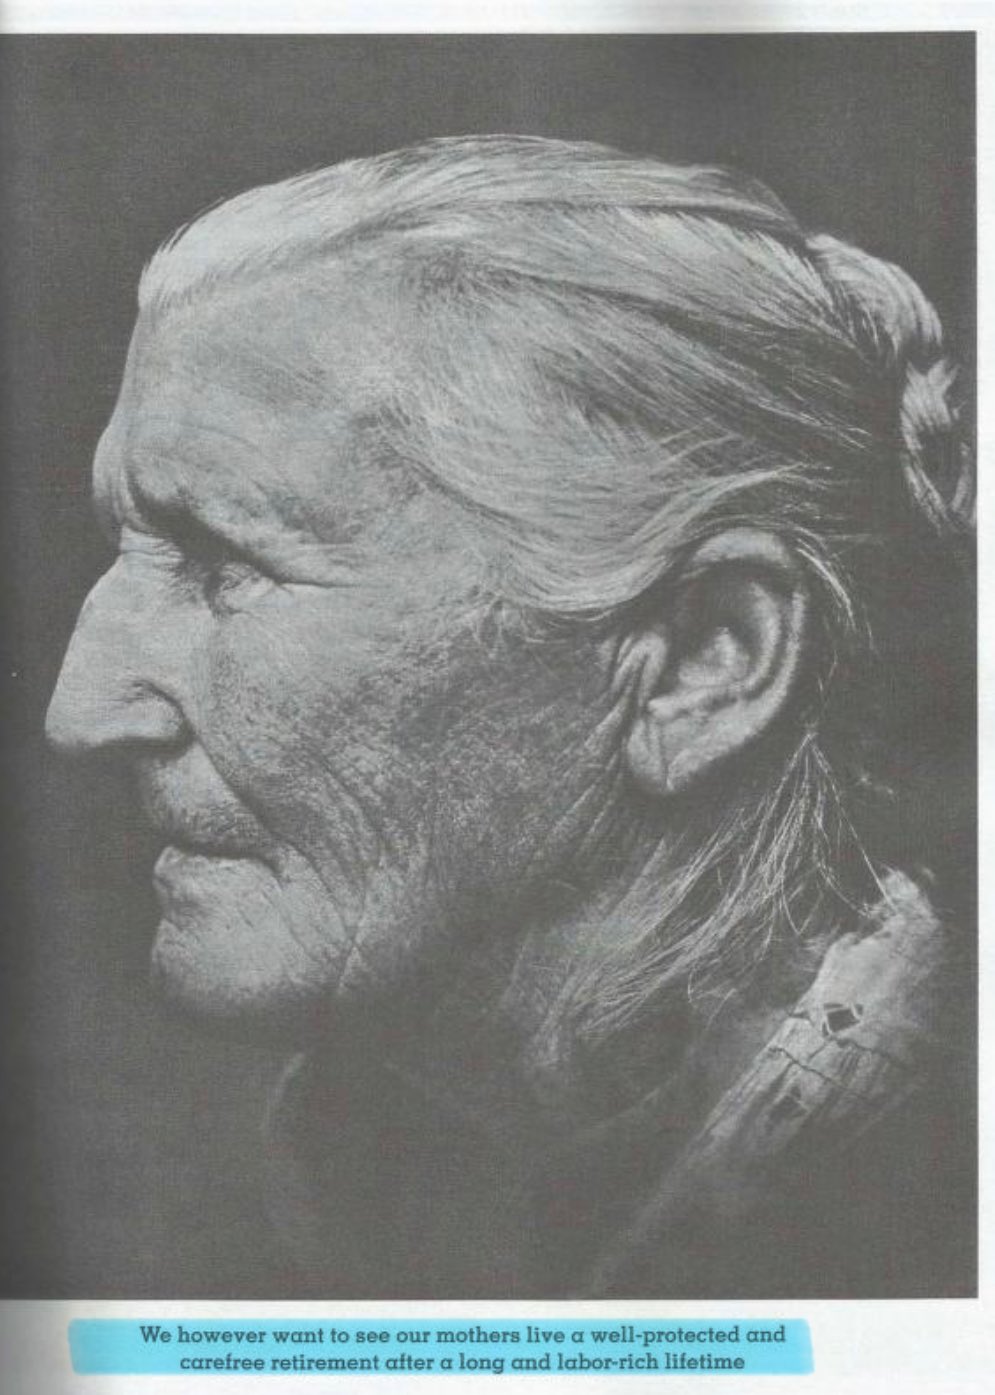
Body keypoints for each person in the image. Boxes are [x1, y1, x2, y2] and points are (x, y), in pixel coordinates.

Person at [46, 136, 975, 1298]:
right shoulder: (364, 1179)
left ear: (701, 662)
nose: (81, 711)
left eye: (226, 565)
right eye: (128, 549)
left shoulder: (916, 1222)